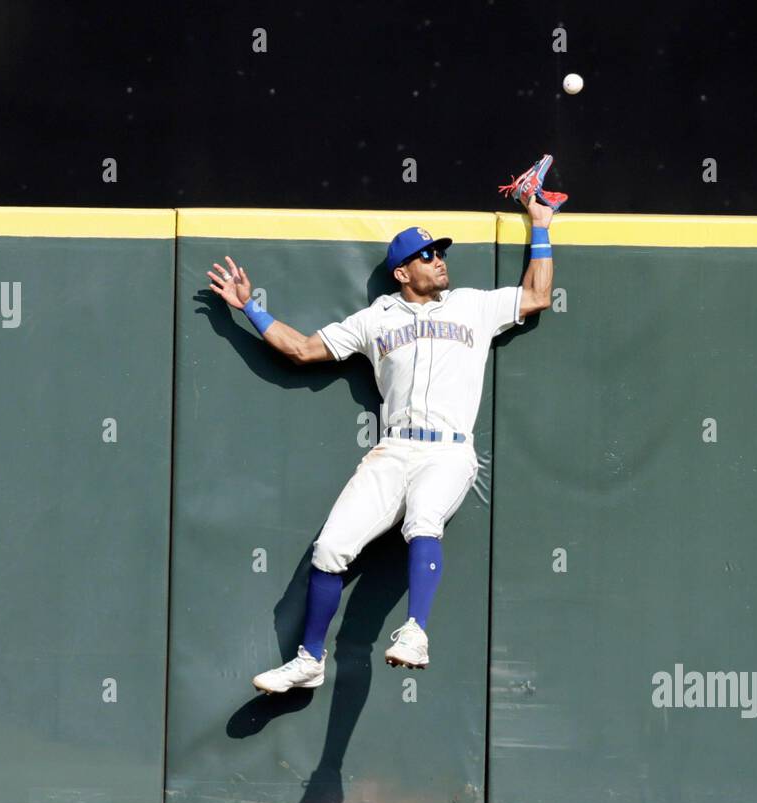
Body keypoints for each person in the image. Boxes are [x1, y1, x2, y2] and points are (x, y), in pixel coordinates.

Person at [206, 193, 555, 693]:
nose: (439, 261)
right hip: (393, 451)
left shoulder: (474, 305)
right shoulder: (375, 319)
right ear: (401, 273)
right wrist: (250, 308)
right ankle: (308, 660)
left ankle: (416, 632)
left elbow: (538, 294)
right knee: (329, 550)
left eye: (440, 253)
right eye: (427, 255)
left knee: (423, 521)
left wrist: (540, 225)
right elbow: (303, 349)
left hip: (448, 450)